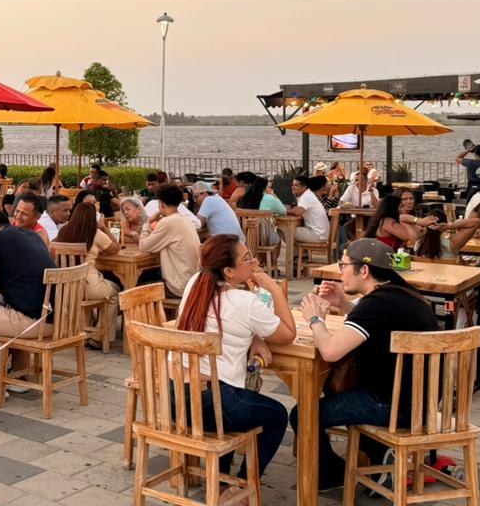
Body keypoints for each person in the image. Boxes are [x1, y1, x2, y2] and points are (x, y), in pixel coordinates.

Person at [294, 239, 441, 490]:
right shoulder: (402, 294)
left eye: (344, 265)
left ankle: (332, 475)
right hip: (422, 402)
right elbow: (376, 326)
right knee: (338, 393)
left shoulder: (375, 305)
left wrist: (314, 318)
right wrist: (344, 304)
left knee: (303, 413)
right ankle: (380, 458)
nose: (341, 272)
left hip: (393, 406)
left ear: (364, 270)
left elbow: (329, 351)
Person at [177, 235, 295, 480]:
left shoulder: (196, 283)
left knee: (235, 398)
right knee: (277, 415)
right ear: (229, 271)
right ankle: (242, 484)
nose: (254, 262)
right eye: (247, 258)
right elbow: (288, 334)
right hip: (213, 406)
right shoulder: (245, 301)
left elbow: (227, 320)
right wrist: (272, 287)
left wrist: (255, 337)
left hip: (175, 399)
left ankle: (220, 480)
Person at [0, 210, 54, 397]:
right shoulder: (31, 234)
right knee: (7, 306)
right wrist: (3, 272)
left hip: (33, 321)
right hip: (57, 318)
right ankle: (19, 377)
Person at [54, 202, 122, 336]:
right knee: (115, 292)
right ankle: (100, 337)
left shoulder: (63, 231)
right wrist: (104, 228)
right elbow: (115, 249)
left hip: (68, 287)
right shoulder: (95, 233)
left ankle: (85, 331)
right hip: (88, 285)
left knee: (91, 296)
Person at [138, 185, 202, 297]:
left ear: (161, 204)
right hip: (191, 281)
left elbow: (144, 246)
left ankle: (144, 314)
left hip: (178, 286)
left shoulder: (168, 222)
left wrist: (147, 224)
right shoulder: (184, 219)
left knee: (135, 285)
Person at [363, 194, 434, 250]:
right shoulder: (388, 222)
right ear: (394, 209)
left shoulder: (391, 220)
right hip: (384, 258)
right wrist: (410, 219)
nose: (404, 209)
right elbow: (412, 238)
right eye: (401, 207)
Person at [288, 174, 329, 247]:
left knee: (286, 229)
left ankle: (292, 256)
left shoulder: (306, 196)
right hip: (320, 233)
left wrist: (285, 211)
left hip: (317, 234)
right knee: (288, 228)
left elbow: (298, 212)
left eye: (296, 185)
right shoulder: (307, 194)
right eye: (292, 185)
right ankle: (299, 254)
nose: (292, 187)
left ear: (304, 187)